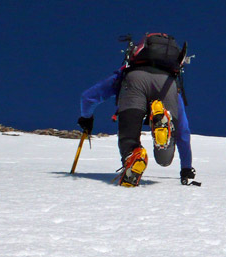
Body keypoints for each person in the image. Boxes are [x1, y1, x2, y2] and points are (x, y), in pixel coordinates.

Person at [77, 33, 195, 187]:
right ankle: (162, 122)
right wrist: (186, 168)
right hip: (167, 85)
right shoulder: (174, 85)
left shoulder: (127, 72)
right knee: (164, 159)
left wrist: (86, 118)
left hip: (134, 80)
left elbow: (88, 97)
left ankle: (133, 156)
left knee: (129, 139)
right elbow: (183, 131)